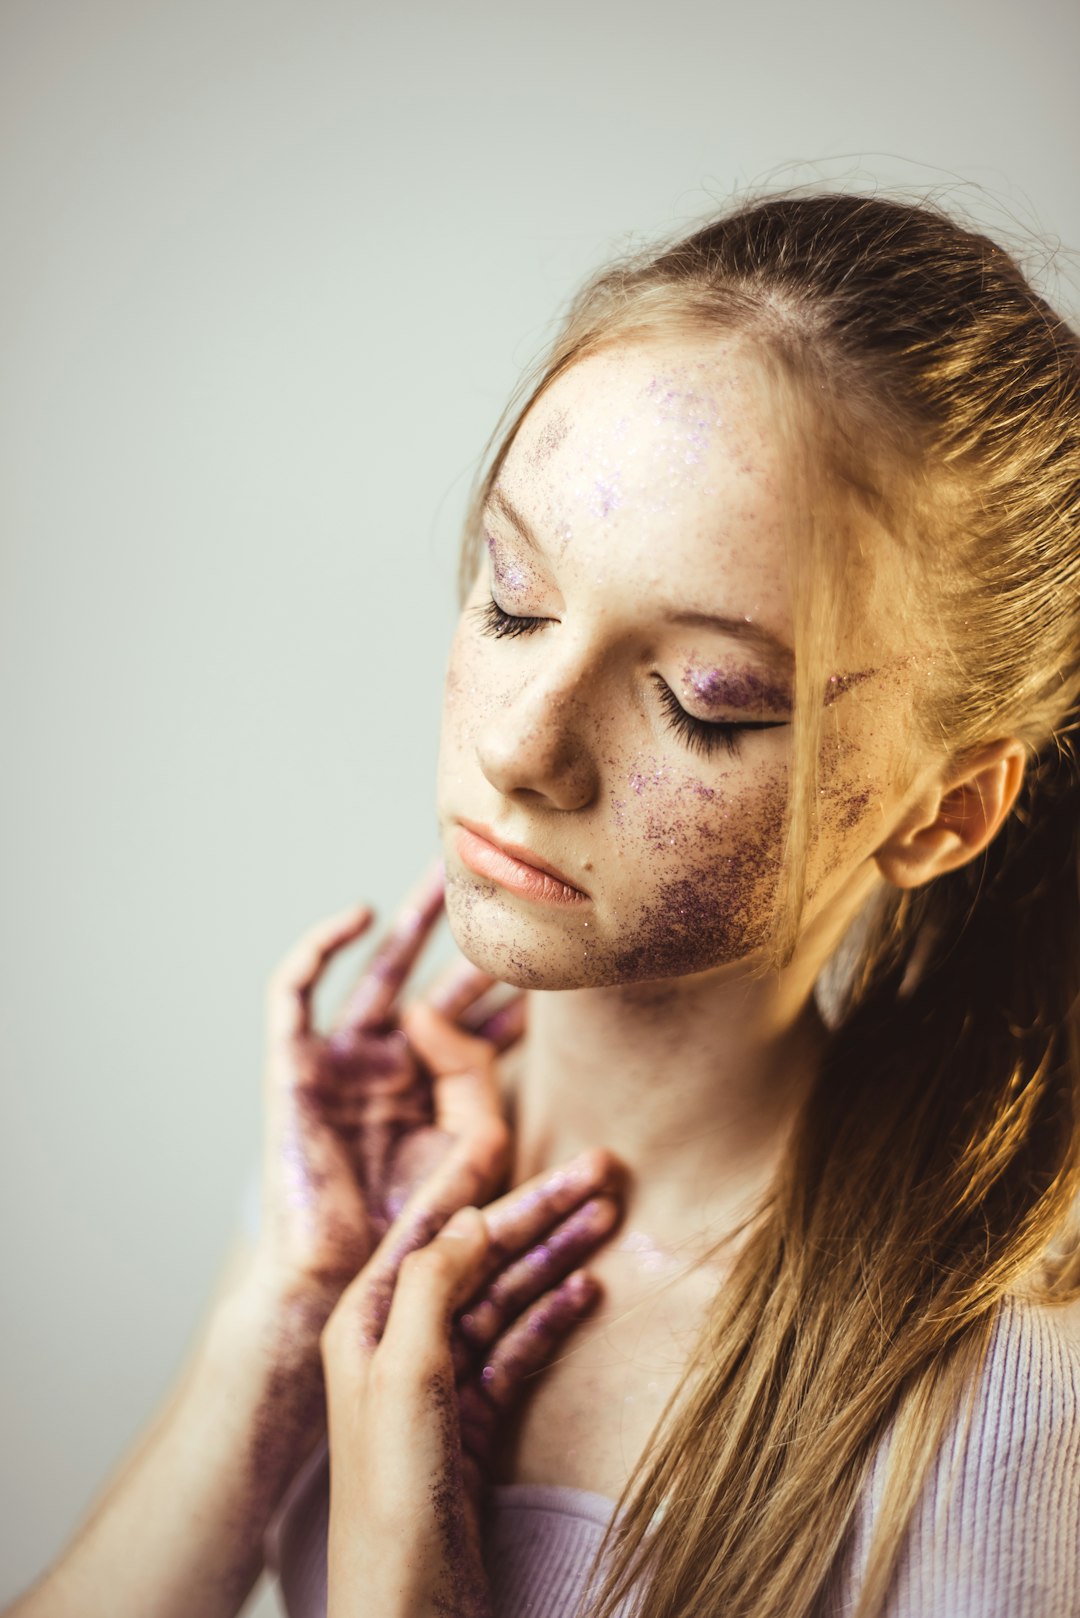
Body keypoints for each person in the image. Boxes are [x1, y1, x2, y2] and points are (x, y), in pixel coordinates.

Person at [6, 188, 1080, 1618]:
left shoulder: (1005, 1399)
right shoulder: (371, 1186)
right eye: (513, 601)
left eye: (705, 701)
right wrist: (265, 1347)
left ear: (943, 813)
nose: (521, 743)